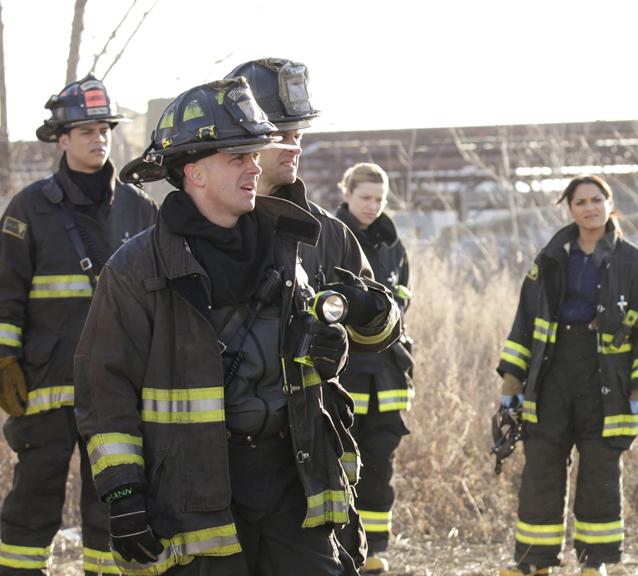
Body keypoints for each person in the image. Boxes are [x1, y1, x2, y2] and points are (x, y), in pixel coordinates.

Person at [74, 77, 399, 576]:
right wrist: (123, 494)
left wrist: (331, 341)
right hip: (196, 488)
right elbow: (103, 389)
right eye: (238, 157)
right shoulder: (137, 268)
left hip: (294, 478)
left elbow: (354, 334)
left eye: (254, 154)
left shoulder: (293, 242)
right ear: (195, 172)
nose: (256, 166)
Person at [0, 76, 157, 576]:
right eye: (86, 130)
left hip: (118, 388)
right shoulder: (28, 209)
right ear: (62, 139)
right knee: (33, 497)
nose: (99, 138)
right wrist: (4, 359)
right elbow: (6, 292)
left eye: (104, 129)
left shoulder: (140, 208)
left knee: (111, 501)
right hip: (44, 386)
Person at [495, 175, 638, 576]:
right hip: (551, 380)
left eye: (596, 199)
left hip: (608, 384)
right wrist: (512, 380)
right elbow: (525, 322)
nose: (590, 208)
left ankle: (595, 563)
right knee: (540, 470)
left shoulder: (636, 263)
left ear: (610, 203)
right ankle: (533, 562)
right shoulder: (549, 259)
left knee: (600, 475)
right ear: (569, 209)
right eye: (580, 202)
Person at [335, 163, 414, 574]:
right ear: (347, 193)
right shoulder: (331, 236)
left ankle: (373, 550)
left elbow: (403, 301)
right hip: (346, 374)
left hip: (388, 376)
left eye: (380, 199)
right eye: (365, 197)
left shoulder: (392, 245)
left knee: (380, 466)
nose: (372, 206)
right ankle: (338, 548)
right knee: (339, 463)